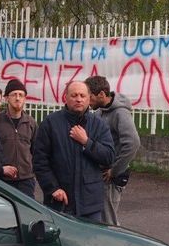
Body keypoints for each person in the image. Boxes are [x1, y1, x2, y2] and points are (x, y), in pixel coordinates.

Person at [32, 79, 115, 222]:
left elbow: (109, 157)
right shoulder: (50, 123)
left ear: (89, 99)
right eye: (74, 95)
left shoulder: (99, 125)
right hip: (59, 202)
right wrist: (52, 188)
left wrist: (86, 142)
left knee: (92, 236)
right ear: (65, 97)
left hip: (90, 205)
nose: (79, 99)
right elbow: (40, 161)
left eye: (82, 96)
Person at [87, 75, 142, 226]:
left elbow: (132, 143)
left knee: (108, 222)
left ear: (101, 94)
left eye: (90, 96)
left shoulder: (120, 113)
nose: (87, 101)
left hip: (110, 177)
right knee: (99, 219)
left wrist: (115, 170)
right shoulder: (100, 112)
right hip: (101, 173)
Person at [0, 78, 38, 197]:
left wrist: (32, 172)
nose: (18, 98)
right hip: (3, 179)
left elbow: (36, 151)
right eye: (14, 94)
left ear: (25, 98)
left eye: (21, 95)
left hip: (26, 180)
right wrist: (0, 168)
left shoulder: (31, 123)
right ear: (6, 98)